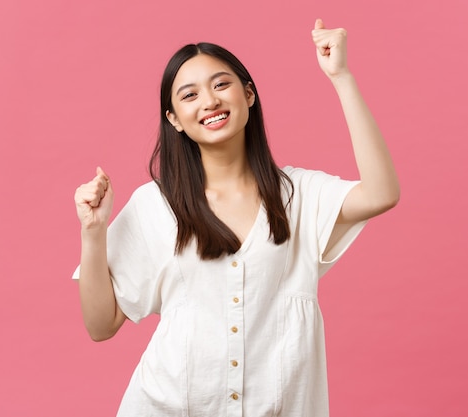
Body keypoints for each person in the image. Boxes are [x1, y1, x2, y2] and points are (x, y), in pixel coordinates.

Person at [73, 18, 399, 417]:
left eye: (221, 84)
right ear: (174, 119)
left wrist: (341, 76)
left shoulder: (298, 195)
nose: (209, 101)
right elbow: (101, 325)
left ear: (248, 95)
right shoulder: (156, 204)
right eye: (189, 95)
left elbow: (382, 193)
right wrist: (93, 232)